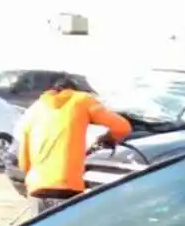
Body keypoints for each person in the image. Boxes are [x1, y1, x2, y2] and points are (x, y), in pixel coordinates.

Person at [16, 76, 132, 214]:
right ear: (73, 90)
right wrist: (109, 138)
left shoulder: (33, 110)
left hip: (37, 189)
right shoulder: (81, 100)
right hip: (67, 187)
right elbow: (123, 127)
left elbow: (23, 163)